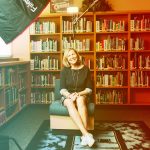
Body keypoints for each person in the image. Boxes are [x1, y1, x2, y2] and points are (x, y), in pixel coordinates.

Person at [60, 48, 95, 147]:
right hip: (68, 96)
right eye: (69, 56)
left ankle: (84, 136)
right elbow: (62, 89)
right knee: (69, 102)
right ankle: (86, 134)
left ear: (77, 55)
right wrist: (70, 95)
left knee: (80, 100)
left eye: (73, 54)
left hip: (81, 94)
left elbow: (89, 89)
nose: (72, 57)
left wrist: (78, 94)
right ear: (66, 59)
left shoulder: (86, 69)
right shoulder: (64, 71)